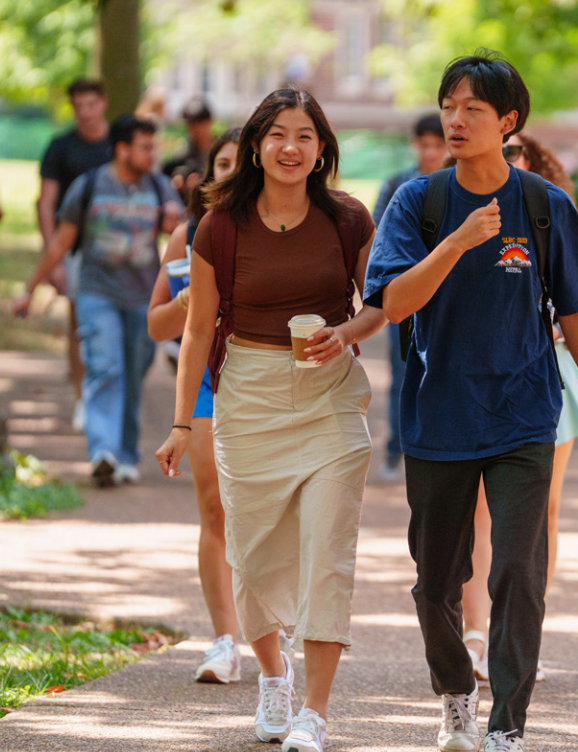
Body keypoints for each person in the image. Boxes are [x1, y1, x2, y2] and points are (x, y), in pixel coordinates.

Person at [364, 51, 578, 752]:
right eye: (449, 106)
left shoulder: (544, 206)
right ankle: (455, 696)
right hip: (439, 415)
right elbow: (393, 303)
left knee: (517, 573)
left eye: (473, 109)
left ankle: (507, 724)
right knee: (435, 582)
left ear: (508, 122)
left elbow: (576, 312)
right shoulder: (417, 203)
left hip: (524, 414)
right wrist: (455, 242)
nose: (456, 120)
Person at [154, 86, 384, 752]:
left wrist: (348, 332)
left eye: (306, 135)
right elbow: (197, 330)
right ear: (257, 145)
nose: (291, 147)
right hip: (248, 395)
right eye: (279, 134)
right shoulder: (219, 226)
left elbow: (379, 303)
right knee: (252, 552)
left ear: (322, 150)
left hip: (330, 395)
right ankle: (274, 677)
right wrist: (181, 423)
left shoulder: (349, 219)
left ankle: (315, 711)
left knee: (327, 551)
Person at [460, 133, 578, 684]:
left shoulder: (551, 211)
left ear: (527, 158)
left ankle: (521, 636)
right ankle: (475, 635)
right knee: (478, 511)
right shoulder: (453, 208)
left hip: (551, 376)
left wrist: (552, 327)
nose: (503, 157)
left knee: (542, 511)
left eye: (512, 149)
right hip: (478, 377)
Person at [15, 114, 182, 487]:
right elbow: (61, 241)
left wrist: (172, 222)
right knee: (105, 367)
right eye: (145, 147)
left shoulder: (159, 186)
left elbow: (179, 234)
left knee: (133, 374)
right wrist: (31, 287)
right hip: (96, 293)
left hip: (143, 298)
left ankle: (126, 455)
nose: (152, 154)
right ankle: (103, 451)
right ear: (122, 149)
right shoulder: (89, 186)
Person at [146, 128, 243, 684]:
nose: (232, 172)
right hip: (206, 383)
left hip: (262, 382)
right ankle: (225, 640)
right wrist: (186, 301)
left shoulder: (278, 230)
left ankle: (275, 631)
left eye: (241, 162)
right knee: (215, 508)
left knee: (267, 513)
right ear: (209, 175)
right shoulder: (186, 235)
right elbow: (156, 324)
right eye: (222, 164)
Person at [371, 112, 446, 482]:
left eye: (437, 145)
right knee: (403, 376)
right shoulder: (398, 185)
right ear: (415, 144)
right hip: (405, 301)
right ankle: (395, 449)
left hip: (446, 301)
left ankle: (435, 451)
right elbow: (377, 239)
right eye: (425, 144)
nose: (430, 152)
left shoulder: (460, 184)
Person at [36, 79, 112, 433]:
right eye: (78, 105)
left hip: (117, 251)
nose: (85, 112)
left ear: (103, 103)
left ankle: (110, 398)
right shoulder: (60, 147)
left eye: (91, 104)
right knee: (79, 324)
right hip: (75, 250)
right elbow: (45, 202)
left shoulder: (119, 144)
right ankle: (83, 398)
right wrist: (52, 257)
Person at [163, 95, 216, 201]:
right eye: (191, 123)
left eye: (199, 122)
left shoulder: (221, 151)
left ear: (209, 121)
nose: (195, 128)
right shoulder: (180, 156)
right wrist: (176, 188)